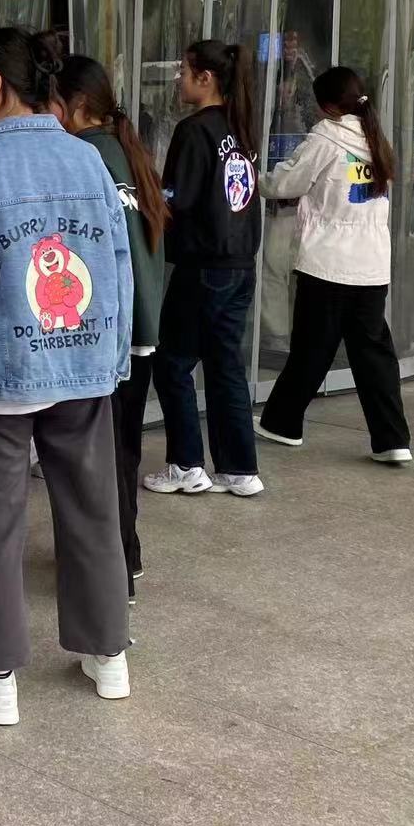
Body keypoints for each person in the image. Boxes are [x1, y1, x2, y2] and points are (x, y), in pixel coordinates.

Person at [0, 27, 134, 727]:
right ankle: (108, 657)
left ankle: (0, 679)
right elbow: (116, 267)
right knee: (93, 512)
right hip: (82, 363)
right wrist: (111, 355)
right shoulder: (87, 159)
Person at [253, 66, 412, 463]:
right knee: (373, 355)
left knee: (311, 349)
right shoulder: (376, 140)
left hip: (327, 263)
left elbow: (286, 183)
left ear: (325, 105)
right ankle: (392, 440)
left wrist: (253, 179)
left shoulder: (325, 136)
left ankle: (283, 424)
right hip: (371, 266)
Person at [55, 55, 167, 604]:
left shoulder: (84, 157)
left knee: (100, 458)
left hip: (107, 335)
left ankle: (112, 565)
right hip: (141, 329)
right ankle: (128, 552)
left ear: (76, 106)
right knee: (122, 450)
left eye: (52, 104)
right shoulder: (127, 151)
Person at [145, 40, 264, 498]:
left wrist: (148, 204)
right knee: (224, 364)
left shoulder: (195, 130)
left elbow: (177, 197)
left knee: (173, 362)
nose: (178, 79)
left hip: (204, 266)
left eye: (184, 70)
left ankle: (186, 464)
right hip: (239, 265)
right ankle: (239, 469)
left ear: (205, 78)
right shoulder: (240, 126)